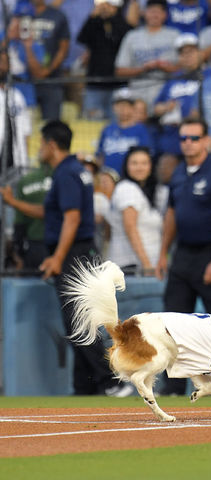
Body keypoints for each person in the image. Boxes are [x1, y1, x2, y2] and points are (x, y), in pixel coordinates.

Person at [156, 117, 211, 394]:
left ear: (206, 141)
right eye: (183, 138)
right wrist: (162, 253)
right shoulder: (180, 173)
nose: (188, 143)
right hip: (183, 254)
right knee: (171, 324)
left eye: (194, 138)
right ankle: (172, 387)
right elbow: (172, 214)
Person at [39, 121, 121, 395]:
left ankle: (110, 379)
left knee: (79, 323)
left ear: (51, 144)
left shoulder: (66, 173)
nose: (39, 149)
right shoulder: (77, 170)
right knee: (80, 322)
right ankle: (85, 386)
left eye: (41, 144)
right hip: (83, 252)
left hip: (74, 254)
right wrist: (14, 204)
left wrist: (58, 257)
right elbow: (57, 214)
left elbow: (72, 218)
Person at [106, 147, 168, 275]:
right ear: (126, 166)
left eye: (144, 163)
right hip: (131, 267)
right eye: (134, 163)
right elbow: (130, 228)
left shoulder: (151, 191)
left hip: (147, 265)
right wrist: (146, 264)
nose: (139, 167)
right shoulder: (127, 189)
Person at [114, 0, 180, 108]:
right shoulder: (132, 36)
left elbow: (185, 68)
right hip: (137, 95)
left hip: (167, 94)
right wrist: (143, 68)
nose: (154, 15)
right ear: (144, 13)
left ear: (165, 15)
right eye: (151, 11)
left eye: (158, 12)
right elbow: (119, 71)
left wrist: (164, 67)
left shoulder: (174, 35)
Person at [77, 0, 132, 120]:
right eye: (104, 5)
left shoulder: (121, 23)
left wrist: (113, 16)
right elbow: (81, 38)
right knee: (91, 125)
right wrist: (93, 16)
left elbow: (127, 35)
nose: (105, 8)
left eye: (109, 5)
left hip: (117, 83)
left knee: (117, 122)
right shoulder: (95, 23)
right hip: (95, 83)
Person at [153, 33, 203, 158]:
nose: (187, 57)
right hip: (173, 135)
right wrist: (166, 107)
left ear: (199, 53)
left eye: (191, 52)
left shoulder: (209, 75)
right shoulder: (173, 79)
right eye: (183, 53)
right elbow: (156, 108)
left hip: (199, 134)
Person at [0, 153, 52, 270]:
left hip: (32, 244)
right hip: (60, 244)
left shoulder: (26, 180)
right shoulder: (64, 176)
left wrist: (17, 249)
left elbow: (20, 221)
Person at [95, 88, 154, 172]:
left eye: (127, 105)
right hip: (109, 177)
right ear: (114, 107)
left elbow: (146, 156)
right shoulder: (107, 129)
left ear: (133, 108)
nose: (123, 108)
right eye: (120, 105)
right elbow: (100, 155)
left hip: (131, 178)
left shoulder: (141, 129)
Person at [29, 0, 70, 120]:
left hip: (51, 80)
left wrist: (48, 70)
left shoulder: (57, 15)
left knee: (51, 125)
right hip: (24, 80)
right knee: (22, 125)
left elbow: (63, 49)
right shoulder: (20, 13)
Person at [0, 49, 32, 169]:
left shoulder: (17, 95)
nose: (2, 66)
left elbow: (26, 132)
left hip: (18, 163)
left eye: (5, 62)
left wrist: (25, 160)